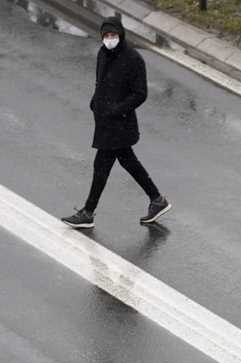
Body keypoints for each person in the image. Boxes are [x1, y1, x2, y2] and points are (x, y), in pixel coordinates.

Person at [61, 15, 171, 230]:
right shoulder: (102, 53)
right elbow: (100, 82)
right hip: (104, 121)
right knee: (128, 162)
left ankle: (88, 212)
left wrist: (116, 110)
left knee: (101, 166)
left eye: (113, 35)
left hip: (120, 122)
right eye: (106, 35)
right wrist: (95, 102)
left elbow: (140, 94)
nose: (110, 39)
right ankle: (157, 200)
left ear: (121, 35)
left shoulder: (133, 59)